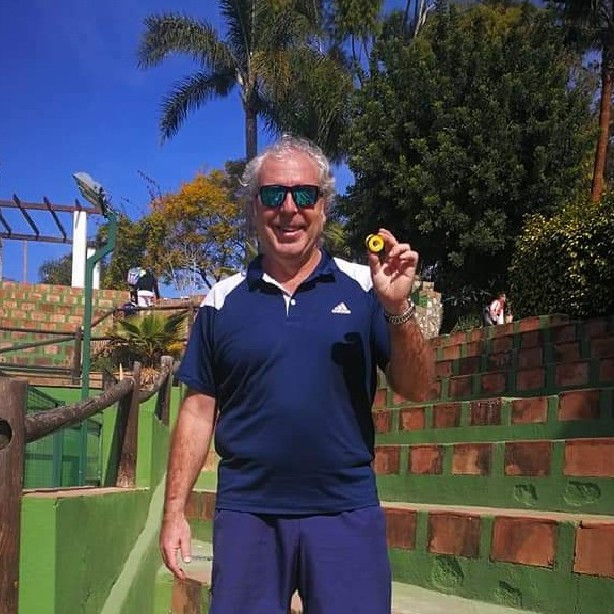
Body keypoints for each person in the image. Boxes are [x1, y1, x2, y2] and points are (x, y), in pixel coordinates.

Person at [159, 135, 435, 614]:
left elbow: (417, 387)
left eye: (304, 194)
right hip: (248, 514)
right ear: (254, 207)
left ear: (323, 206)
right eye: (273, 195)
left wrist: (396, 307)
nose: (289, 209)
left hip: (345, 510)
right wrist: (173, 512)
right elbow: (198, 411)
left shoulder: (366, 289)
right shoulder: (222, 302)